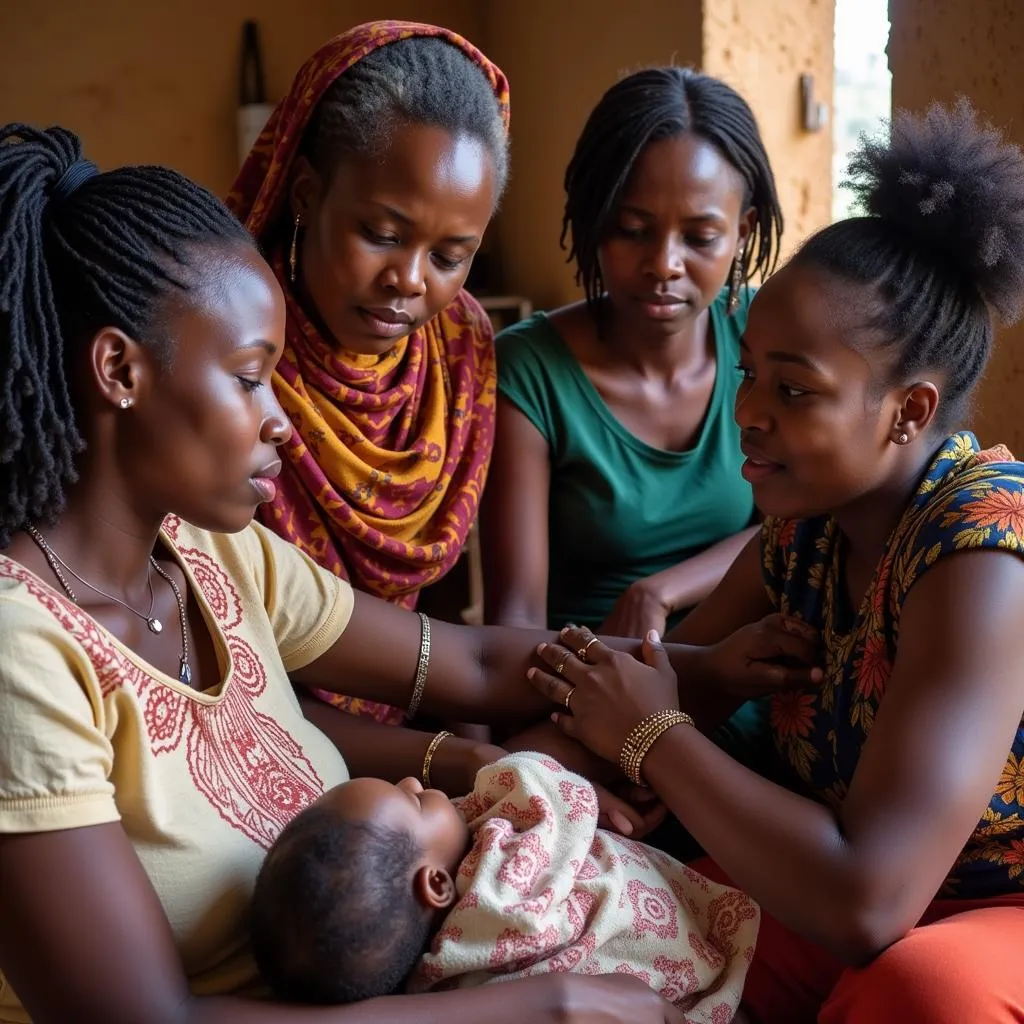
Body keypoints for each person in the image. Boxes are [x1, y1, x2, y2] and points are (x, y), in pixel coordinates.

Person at [0, 123, 816, 1022]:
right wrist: (543, 1006)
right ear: (119, 369)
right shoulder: (21, 652)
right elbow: (146, 1020)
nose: (283, 421)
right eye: (249, 378)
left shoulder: (207, 551)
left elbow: (465, 663)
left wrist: (695, 674)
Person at [525, 101, 1024, 1023]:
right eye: (750, 371)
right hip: (851, 888)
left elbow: (867, 903)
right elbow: (668, 689)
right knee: (586, 921)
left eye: (794, 389)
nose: (749, 412)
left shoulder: (982, 556)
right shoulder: (809, 526)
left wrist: (653, 738)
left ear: (909, 412)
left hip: (991, 904)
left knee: (918, 994)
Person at [228, 21, 509, 728]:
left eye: (450, 255)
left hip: (409, 724)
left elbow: (444, 609)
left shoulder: (459, 347)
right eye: (381, 235)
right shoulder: (224, 353)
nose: (408, 281)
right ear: (304, 195)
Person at [482, 67, 783, 642]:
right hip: (591, 680)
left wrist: (659, 590)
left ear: (742, 232)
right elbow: (514, 617)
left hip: (746, 665)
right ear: (595, 224)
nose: (664, 264)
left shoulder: (762, 334)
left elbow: (800, 524)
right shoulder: (529, 372)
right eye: (632, 229)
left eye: (699, 237)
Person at [250, 752, 758, 1014]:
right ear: (436, 885)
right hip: (697, 953)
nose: (413, 781)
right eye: (416, 802)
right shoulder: (504, 879)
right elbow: (553, 791)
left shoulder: (441, 984)